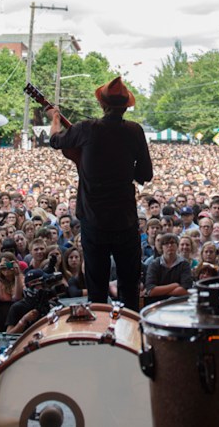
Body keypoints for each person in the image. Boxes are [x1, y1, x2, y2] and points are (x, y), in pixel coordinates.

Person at [49, 76, 153, 312]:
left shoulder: (86, 129)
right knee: (129, 287)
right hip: (125, 220)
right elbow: (145, 174)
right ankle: (132, 339)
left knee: (97, 289)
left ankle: (100, 338)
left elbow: (55, 140)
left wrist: (54, 118)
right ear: (126, 107)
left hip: (94, 222)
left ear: (102, 105)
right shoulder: (134, 130)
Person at [144, 233, 193, 304]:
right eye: (166, 243)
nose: (170, 245)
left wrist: (161, 292)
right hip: (156, 304)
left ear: (177, 246)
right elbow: (151, 290)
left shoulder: (184, 264)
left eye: (172, 243)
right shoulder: (154, 264)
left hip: (179, 303)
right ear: (162, 247)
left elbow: (186, 289)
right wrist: (175, 285)